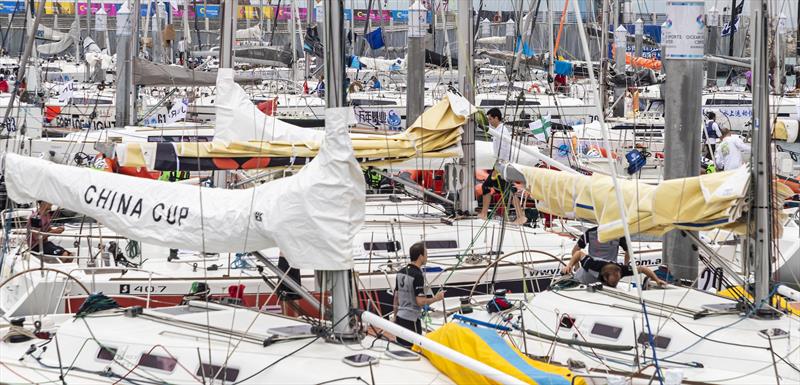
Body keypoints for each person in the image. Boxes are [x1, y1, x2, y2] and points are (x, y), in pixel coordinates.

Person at [479, 108, 526, 225]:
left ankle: (521, 217)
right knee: (496, 187)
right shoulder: (498, 130)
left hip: (503, 165)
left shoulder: (502, 131)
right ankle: (484, 214)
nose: (489, 121)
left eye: (490, 119)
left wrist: (500, 166)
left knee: (503, 189)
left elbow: (505, 150)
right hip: (501, 165)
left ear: (496, 118)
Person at [393, 242, 445, 348]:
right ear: (421, 256)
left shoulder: (400, 272)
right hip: (411, 321)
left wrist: (394, 317)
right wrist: (436, 298)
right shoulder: (417, 275)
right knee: (414, 350)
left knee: (402, 349)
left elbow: (396, 297)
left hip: (400, 318)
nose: (427, 256)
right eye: (426, 254)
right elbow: (420, 302)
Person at [561, 226, 630, 283]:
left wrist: (576, 268)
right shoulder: (618, 234)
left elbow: (575, 251)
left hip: (590, 270)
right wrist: (625, 267)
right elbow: (629, 251)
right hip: (609, 274)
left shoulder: (590, 232)